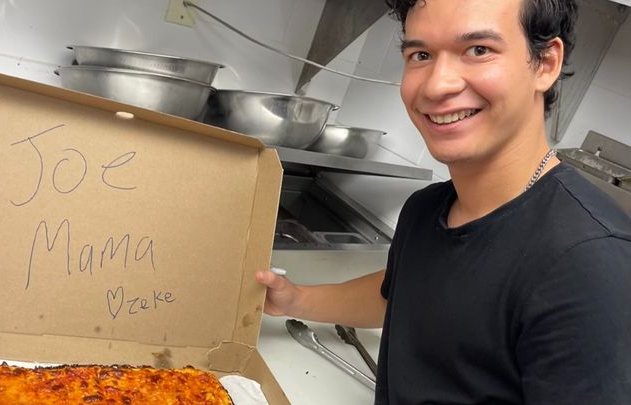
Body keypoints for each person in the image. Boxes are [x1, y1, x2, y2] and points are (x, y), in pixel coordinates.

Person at [256, 0, 631, 403]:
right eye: (421, 55)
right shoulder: (426, 208)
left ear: (545, 63)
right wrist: (297, 299)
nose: (437, 85)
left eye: (478, 50)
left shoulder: (588, 262)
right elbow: (396, 295)